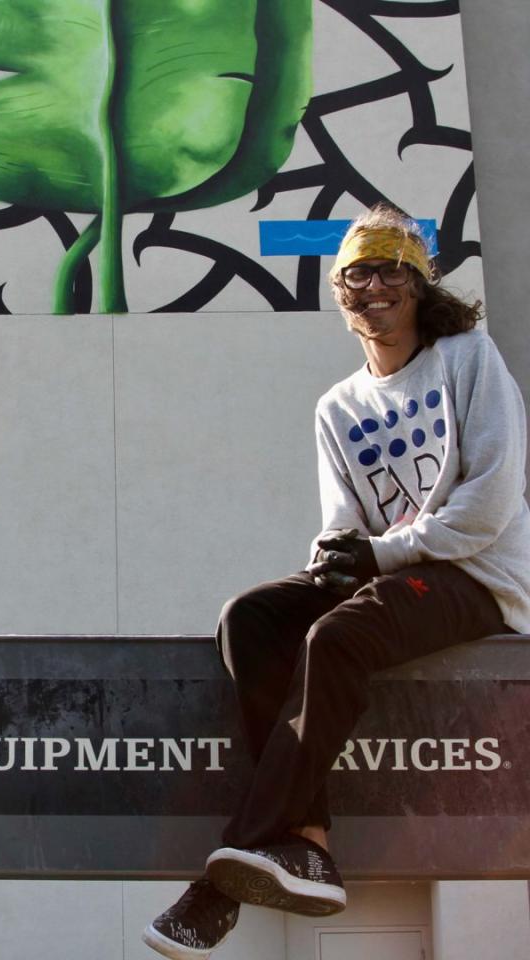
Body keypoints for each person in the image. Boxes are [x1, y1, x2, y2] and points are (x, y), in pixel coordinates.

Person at [142, 202, 530, 959]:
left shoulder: (466, 358)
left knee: (340, 634)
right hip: (393, 574)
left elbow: (488, 505)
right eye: (356, 274)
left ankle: (222, 883)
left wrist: (380, 557)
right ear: (340, 293)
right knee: (249, 617)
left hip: (478, 576)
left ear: (419, 285)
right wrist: (337, 558)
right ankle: (308, 841)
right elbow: (344, 526)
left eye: (390, 270)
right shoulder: (338, 407)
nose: (373, 286)